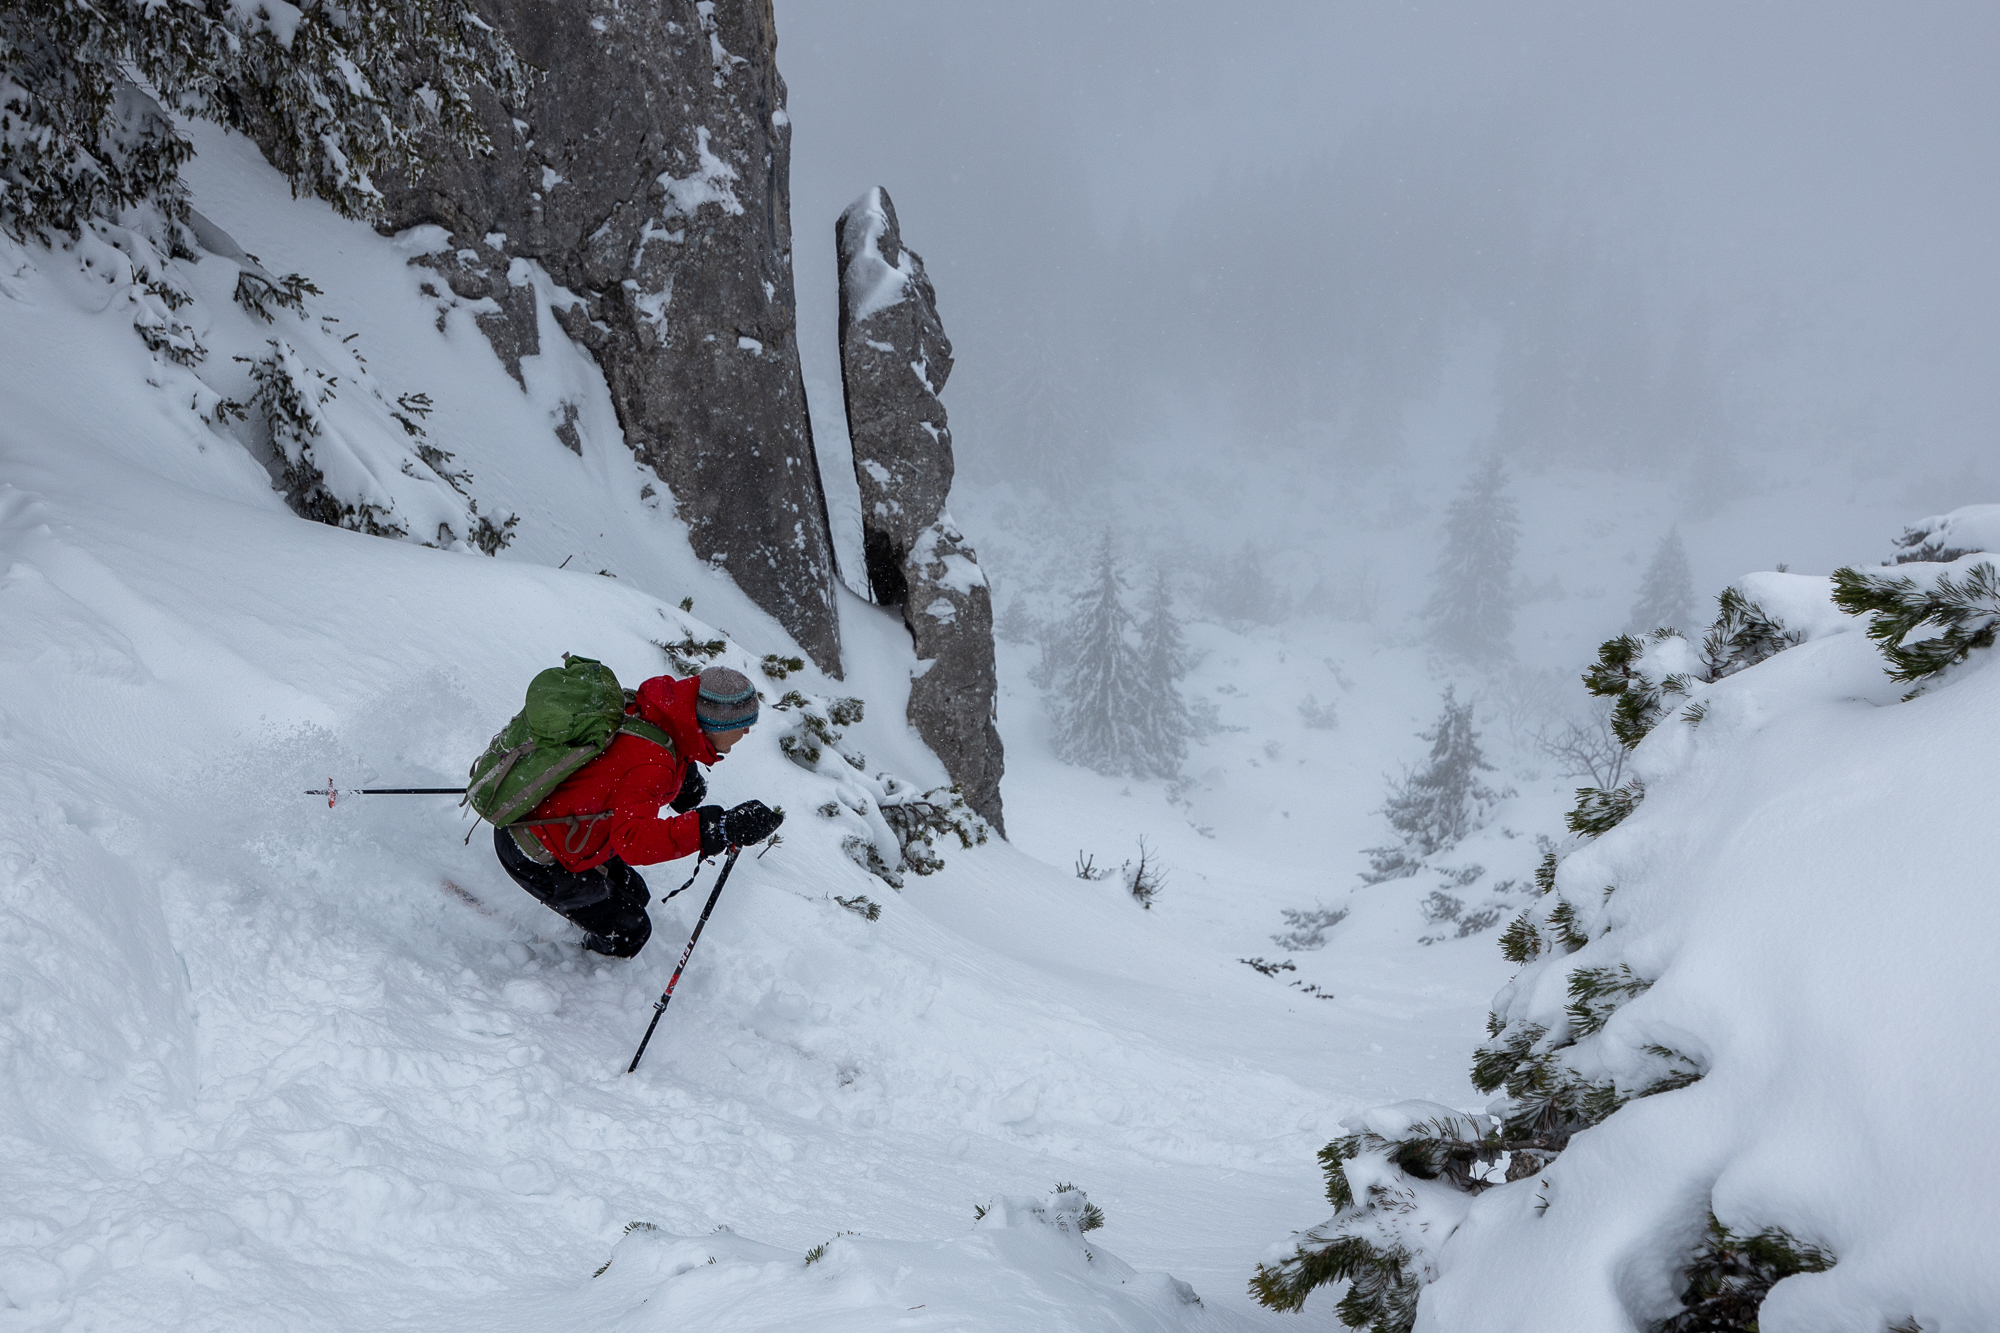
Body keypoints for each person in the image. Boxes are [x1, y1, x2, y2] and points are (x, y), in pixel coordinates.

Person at [492, 665, 784, 956]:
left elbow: (628, 764)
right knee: (631, 933)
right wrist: (717, 828)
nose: (746, 730)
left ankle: (582, 921)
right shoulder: (653, 765)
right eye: (742, 724)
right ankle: (580, 970)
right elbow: (634, 842)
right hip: (534, 852)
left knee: (637, 895)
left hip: (559, 825)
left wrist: (683, 776)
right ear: (714, 723)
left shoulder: (653, 712)